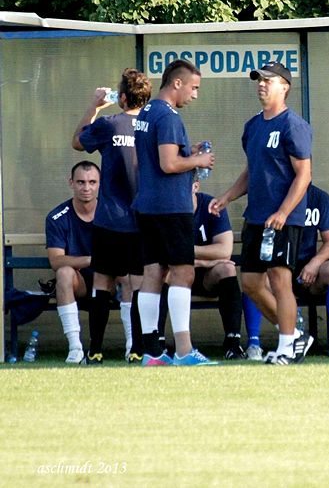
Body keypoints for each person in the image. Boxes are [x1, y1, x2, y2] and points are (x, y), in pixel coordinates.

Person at [210, 61, 313, 365]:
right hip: (256, 217)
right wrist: (227, 196)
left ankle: (285, 348)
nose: (262, 84)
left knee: (280, 280)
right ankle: (294, 336)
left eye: (269, 80)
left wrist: (283, 211)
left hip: (283, 219)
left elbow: (303, 175)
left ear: (285, 87)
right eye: (259, 79)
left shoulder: (293, 125)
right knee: (252, 284)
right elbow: (252, 170)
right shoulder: (253, 125)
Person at [132, 58, 215, 366]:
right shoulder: (168, 117)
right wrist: (198, 161)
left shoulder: (147, 111)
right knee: (183, 272)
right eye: (193, 88)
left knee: (153, 272)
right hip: (170, 206)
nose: (195, 94)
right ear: (176, 83)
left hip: (147, 205)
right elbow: (168, 165)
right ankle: (184, 350)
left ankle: (151, 352)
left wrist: (185, 154)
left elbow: (143, 162)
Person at [72, 68, 151, 364]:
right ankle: (138, 349)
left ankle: (95, 350)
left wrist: (94, 105)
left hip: (109, 220)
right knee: (140, 283)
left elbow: (78, 141)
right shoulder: (152, 125)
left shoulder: (109, 124)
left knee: (102, 283)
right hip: (142, 220)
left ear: (122, 97)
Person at [156, 174, 246, 359]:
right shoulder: (165, 208)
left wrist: (187, 252)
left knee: (227, 269)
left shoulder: (211, 205)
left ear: (195, 186)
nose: (176, 192)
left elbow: (225, 250)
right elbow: (162, 254)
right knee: (160, 273)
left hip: (204, 278)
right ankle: (159, 343)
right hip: (175, 276)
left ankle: (233, 343)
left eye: (182, 186)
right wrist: (204, 259)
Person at [45, 161, 100, 363]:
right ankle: (75, 348)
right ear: (71, 183)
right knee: (64, 272)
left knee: (129, 272)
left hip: (109, 279)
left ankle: (133, 348)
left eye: (92, 182)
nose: (87, 188)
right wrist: (89, 260)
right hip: (80, 283)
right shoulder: (57, 217)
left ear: (99, 184)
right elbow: (56, 260)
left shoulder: (111, 211)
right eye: (81, 182)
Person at [292, 184, 329, 359]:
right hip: (280, 268)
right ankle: (254, 345)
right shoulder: (275, 194)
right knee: (256, 276)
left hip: (310, 270)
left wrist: (314, 263)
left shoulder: (319, 197)